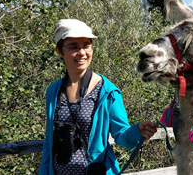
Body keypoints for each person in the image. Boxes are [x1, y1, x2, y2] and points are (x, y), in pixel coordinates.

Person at [39, 19, 158, 175]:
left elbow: (121, 136)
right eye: (74, 46)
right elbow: (49, 143)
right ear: (60, 51)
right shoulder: (53, 91)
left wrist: (137, 131)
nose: (82, 52)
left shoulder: (107, 91)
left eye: (86, 45)